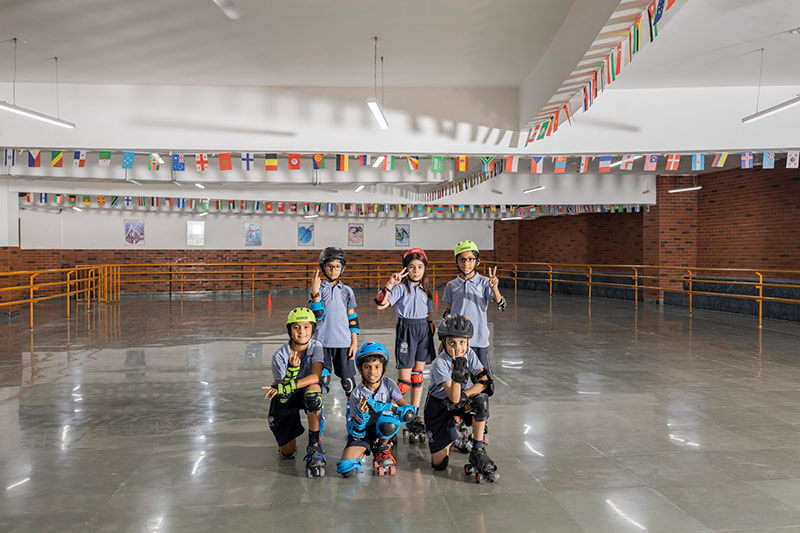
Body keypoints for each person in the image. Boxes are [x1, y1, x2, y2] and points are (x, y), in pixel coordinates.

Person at [424, 314, 498, 483]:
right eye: (452, 343)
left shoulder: (469, 353)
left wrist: (467, 394)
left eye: (462, 342)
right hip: (438, 408)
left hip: (459, 402)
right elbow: (453, 396)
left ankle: (477, 450)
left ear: (468, 342)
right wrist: (458, 374)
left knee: (481, 400)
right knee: (439, 464)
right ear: (443, 342)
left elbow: (486, 382)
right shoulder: (440, 363)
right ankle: (454, 438)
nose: (457, 348)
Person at [375, 248, 436, 443]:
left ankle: (414, 415)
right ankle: (392, 412)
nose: (416, 271)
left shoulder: (427, 289)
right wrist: (390, 283)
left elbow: (427, 313)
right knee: (404, 381)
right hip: (407, 330)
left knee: (418, 375)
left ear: (424, 269)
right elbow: (380, 304)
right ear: (406, 269)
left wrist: (430, 323)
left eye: (419, 267)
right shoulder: (401, 287)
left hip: (423, 330)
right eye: (411, 267)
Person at [262, 307, 327, 478]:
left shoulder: (316, 347)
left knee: (314, 394)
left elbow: (315, 376)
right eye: (296, 327)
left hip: (303, 390)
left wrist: (291, 384)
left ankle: (314, 445)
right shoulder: (279, 356)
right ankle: (287, 441)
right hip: (286, 397)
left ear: (312, 329)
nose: (302, 332)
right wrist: (291, 371)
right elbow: (282, 390)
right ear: (289, 330)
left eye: (306, 327)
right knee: (287, 453)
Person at [336, 342, 417, 477]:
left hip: (383, 428)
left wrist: (405, 412)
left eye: (377, 367)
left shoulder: (389, 384)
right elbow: (352, 426)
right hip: (364, 432)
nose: (372, 372)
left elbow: (404, 406)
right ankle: (365, 449)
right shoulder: (357, 393)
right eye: (367, 367)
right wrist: (360, 419)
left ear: (383, 369)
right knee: (347, 468)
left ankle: (382, 447)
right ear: (360, 369)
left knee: (389, 420)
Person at [442, 240, 505, 373]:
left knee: (481, 378)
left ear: (477, 261)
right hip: (458, 340)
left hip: (479, 339)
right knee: (458, 376)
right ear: (457, 262)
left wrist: (495, 289)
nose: (466, 263)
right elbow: (448, 313)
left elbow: (501, 305)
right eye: (462, 259)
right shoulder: (451, 285)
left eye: (471, 259)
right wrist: (445, 340)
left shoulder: (484, 282)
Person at [310, 247, 359, 409]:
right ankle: (318, 414)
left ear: (342, 268)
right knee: (321, 380)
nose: (333, 270)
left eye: (337, 266)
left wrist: (354, 343)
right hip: (321, 342)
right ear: (324, 267)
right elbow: (318, 316)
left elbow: (353, 319)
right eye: (330, 266)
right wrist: (315, 293)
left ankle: (353, 414)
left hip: (344, 342)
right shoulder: (318, 290)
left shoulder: (347, 291)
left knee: (349, 382)